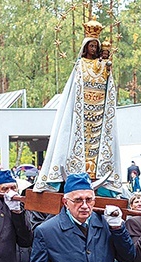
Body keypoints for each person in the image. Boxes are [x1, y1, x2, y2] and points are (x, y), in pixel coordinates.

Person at [34, 19, 121, 193]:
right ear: (85, 46)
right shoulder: (80, 65)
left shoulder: (103, 65)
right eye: (91, 46)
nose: (94, 50)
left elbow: (108, 84)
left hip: (99, 112)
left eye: (96, 47)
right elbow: (75, 89)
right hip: (81, 113)